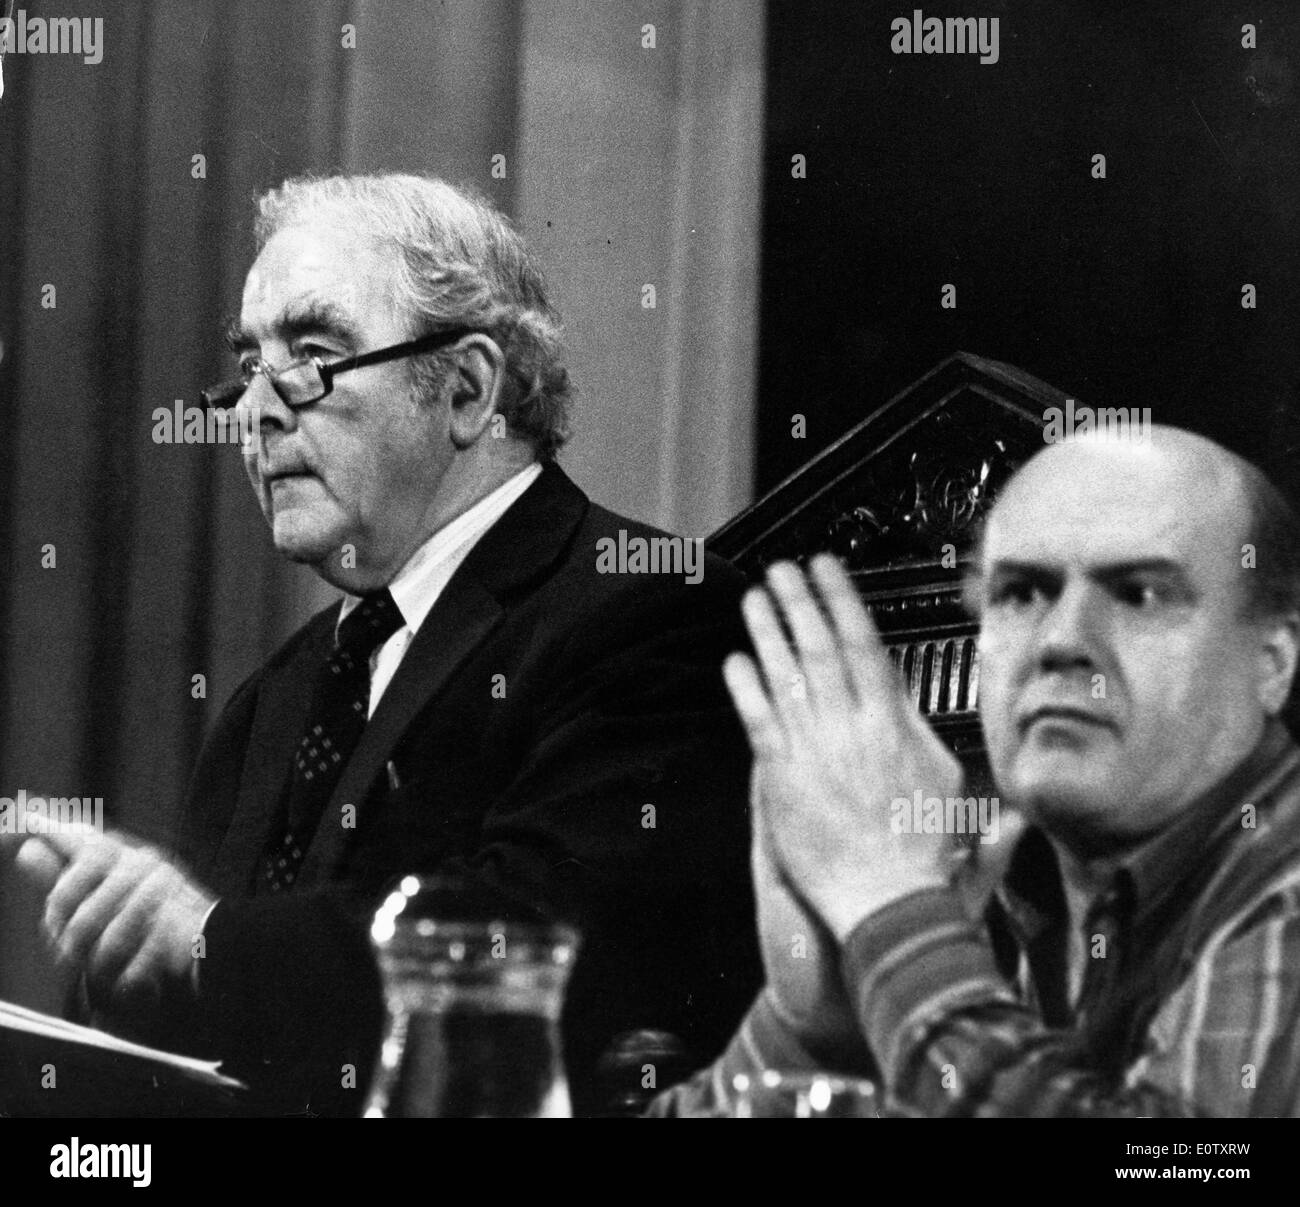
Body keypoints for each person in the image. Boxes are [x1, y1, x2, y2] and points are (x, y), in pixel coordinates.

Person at [8, 173, 759, 1116]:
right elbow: (195, 981)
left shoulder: (655, 610)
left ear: (467, 388)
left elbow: (531, 943)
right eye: (248, 366)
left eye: (314, 356)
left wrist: (202, 948)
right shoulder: (277, 695)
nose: (255, 411)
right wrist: (124, 960)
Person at [654, 425, 1300, 1117]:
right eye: (1021, 593)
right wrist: (815, 1032)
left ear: (1272, 660)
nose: (1061, 640)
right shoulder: (1001, 884)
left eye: (1139, 593)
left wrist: (890, 910)